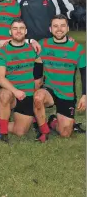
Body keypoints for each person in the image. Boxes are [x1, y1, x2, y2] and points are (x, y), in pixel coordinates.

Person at [33, 14, 86, 142]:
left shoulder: (77, 49)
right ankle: (43, 130)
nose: (59, 29)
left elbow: (84, 73)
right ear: (50, 29)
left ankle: (52, 121)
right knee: (38, 97)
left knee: (65, 133)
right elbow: (20, 46)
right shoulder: (43, 45)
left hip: (67, 94)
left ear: (68, 28)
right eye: (55, 26)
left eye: (62, 26)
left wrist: (85, 95)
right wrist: (31, 41)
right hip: (49, 89)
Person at [0, 19, 40, 142]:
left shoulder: (33, 49)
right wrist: (15, 91)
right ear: (10, 32)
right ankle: (3, 133)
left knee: (20, 132)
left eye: (21, 28)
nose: (18, 31)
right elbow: (0, 78)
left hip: (27, 94)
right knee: (4, 94)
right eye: (15, 28)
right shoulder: (2, 53)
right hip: (12, 93)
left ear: (26, 31)